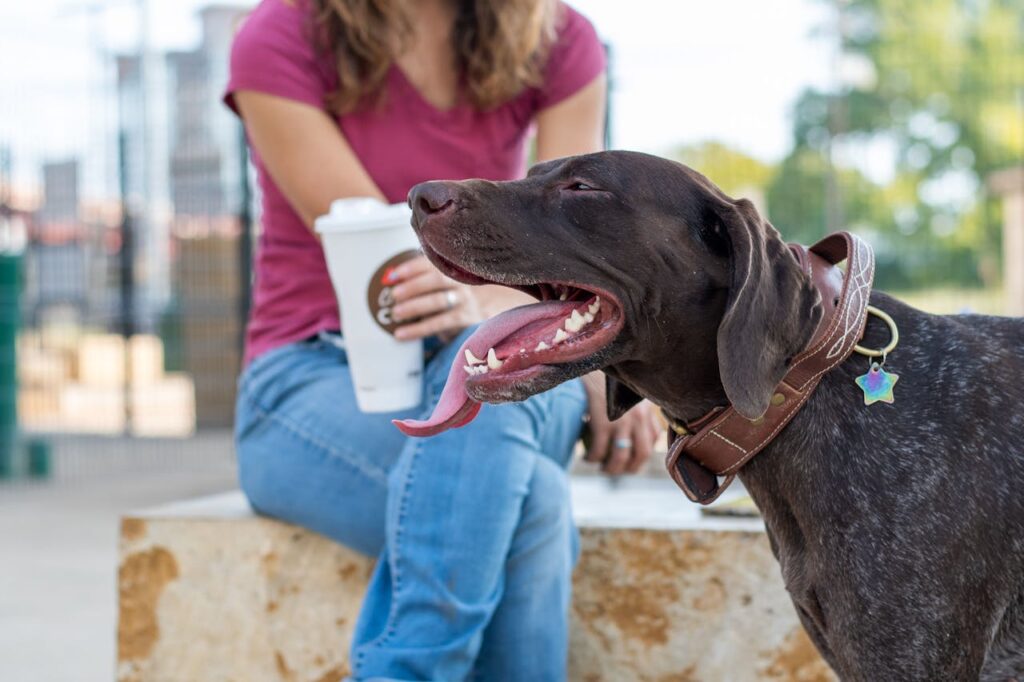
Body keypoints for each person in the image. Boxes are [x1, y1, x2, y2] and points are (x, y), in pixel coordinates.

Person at [224, 0, 661, 679]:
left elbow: (575, 251)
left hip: (506, 361)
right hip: (313, 376)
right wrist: (508, 301)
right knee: (533, 504)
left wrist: (601, 358)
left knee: (484, 392)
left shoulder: (559, 38)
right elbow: (384, 264)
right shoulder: (280, 34)